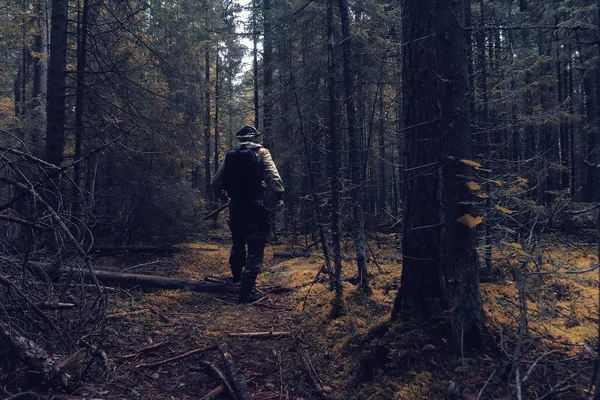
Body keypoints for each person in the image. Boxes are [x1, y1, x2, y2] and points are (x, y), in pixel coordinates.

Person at [211, 125, 285, 303]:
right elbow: (272, 175)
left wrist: (223, 197)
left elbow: (215, 182)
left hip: (235, 207)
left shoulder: (231, 155)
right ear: (255, 137)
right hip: (255, 206)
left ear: (240, 139)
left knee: (238, 242)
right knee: (255, 247)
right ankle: (246, 291)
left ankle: (237, 278)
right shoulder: (261, 152)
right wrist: (279, 196)